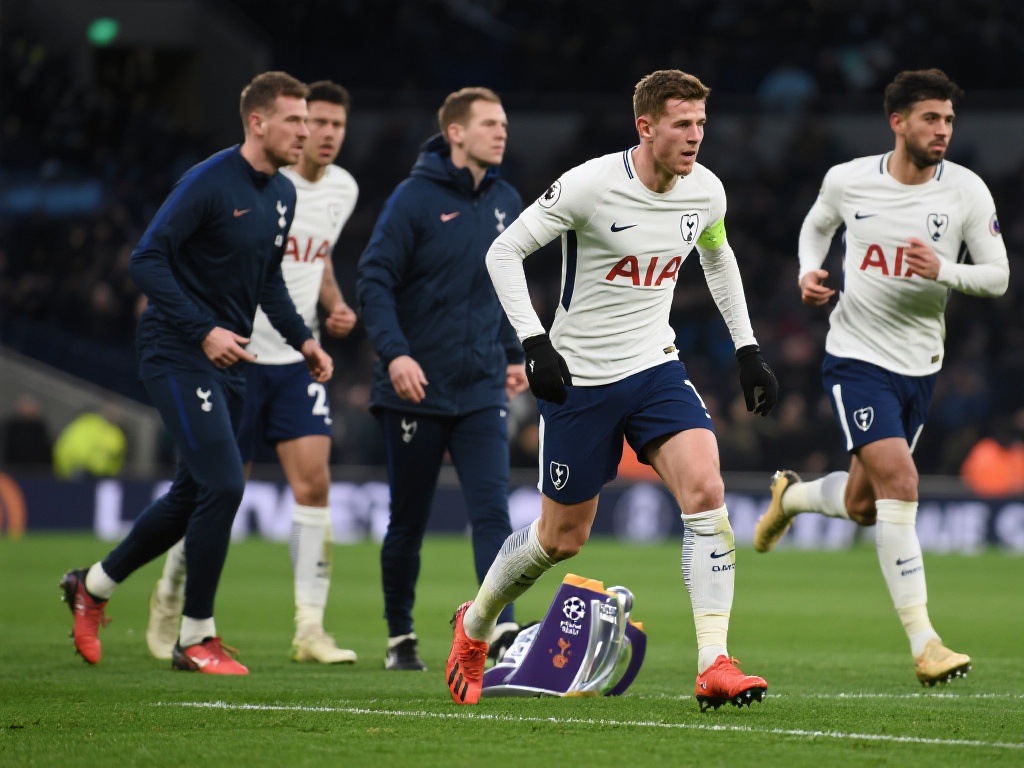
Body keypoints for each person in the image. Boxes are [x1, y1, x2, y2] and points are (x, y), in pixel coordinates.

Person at [445, 69, 779, 709]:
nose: (695, 136)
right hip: (580, 381)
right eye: (681, 124)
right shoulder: (590, 186)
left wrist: (748, 349)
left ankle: (714, 662)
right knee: (560, 538)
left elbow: (716, 255)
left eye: (701, 123)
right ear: (645, 126)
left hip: (656, 368)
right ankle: (476, 623)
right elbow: (502, 253)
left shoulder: (706, 191)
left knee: (706, 492)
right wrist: (535, 342)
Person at [59, 71, 332, 675]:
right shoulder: (208, 182)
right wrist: (203, 328)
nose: (306, 131)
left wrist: (304, 342)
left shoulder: (281, 194)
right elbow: (145, 260)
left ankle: (92, 586)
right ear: (257, 121)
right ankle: (196, 637)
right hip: (177, 349)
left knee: (191, 493)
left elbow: (267, 281)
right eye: (294, 119)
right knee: (225, 486)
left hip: (227, 358)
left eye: (308, 120)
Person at [753, 69, 1008, 687]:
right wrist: (808, 272)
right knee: (902, 482)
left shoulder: (966, 191)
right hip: (856, 357)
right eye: (931, 118)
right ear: (898, 122)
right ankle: (926, 644)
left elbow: (998, 276)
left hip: (920, 366)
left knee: (865, 506)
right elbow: (817, 225)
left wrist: (944, 270)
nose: (943, 130)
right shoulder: (849, 179)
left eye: (949, 120)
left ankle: (791, 497)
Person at [145, 81, 360, 665]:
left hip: (294, 359)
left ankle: (310, 628)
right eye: (314, 121)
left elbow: (317, 256)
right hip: (234, 355)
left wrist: (333, 304)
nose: (323, 134)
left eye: (336, 125)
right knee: (217, 490)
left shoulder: (343, 189)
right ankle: (171, 594)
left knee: (314, 484)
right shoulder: (256, 184)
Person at [356, 87, 528, 671]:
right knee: (408, 521)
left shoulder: (506, 199)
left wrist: (512, 352)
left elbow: (505, 284)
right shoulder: (413, 198)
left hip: (481, 386)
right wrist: (395, 355)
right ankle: (400, 636)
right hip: (415, 388)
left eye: (503, 123)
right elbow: (374, 280)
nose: (501, 132)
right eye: (489, 123)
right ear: (455, 132)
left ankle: (499, 630)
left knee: (494, 515)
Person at [52, 405, 126, 479]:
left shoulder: (115, 433)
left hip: (86, 471)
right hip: (78, 469)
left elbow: (114, 449)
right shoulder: (91, 424)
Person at [1, 394, 53, 470]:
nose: (28, 409)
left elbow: (47, 452)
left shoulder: (40, 429)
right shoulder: (9, 428)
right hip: (11, 470)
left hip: (36, 471)